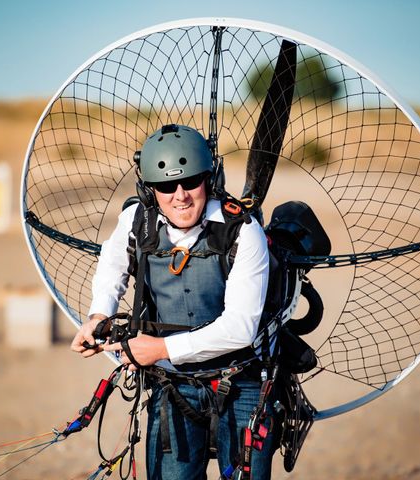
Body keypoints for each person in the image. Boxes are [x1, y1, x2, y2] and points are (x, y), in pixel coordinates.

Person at [71, 124, 274, 479]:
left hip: (243, 381)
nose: (180, 195)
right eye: (166, 186)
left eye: (191, 181)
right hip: (173, 386)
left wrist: (158, 348)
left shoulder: (243, 230)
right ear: (149, 190)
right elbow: (113, 263)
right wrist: (98, 314)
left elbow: (240, 328)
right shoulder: (138, 220)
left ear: (208, 180)